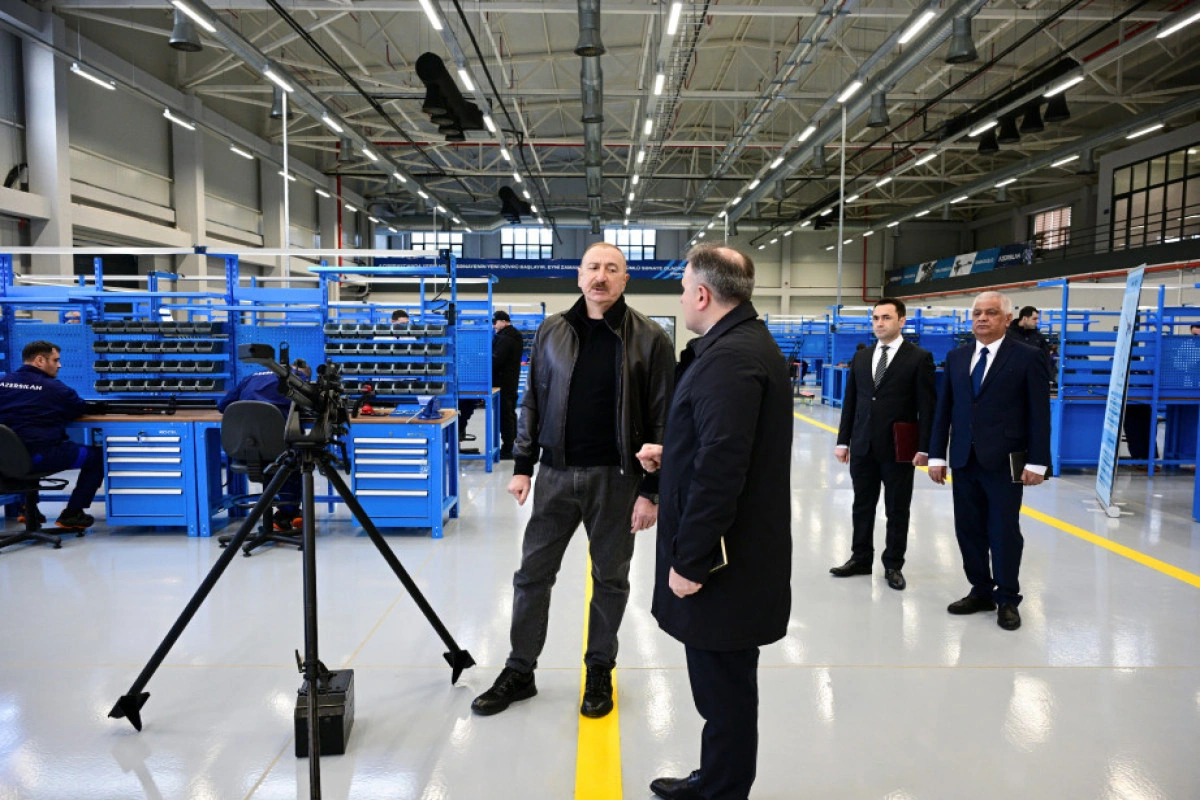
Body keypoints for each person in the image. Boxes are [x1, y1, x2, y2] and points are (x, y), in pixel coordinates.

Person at [471, 242, 675, 719]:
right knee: (532, 575)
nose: (600, 276)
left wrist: (651, 491)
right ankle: (520, 670)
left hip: (618, 480)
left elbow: (664, 419)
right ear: (579, 276)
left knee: (610, 579)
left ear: (625, 279)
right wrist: (523, 464)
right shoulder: (552, 330)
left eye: (611, 269)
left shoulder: (650, 338)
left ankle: (599, 669)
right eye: (592, 268)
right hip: (556, 475)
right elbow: (532, 400)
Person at [637, 244, 792, 800]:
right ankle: (718, 779)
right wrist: (673, 452)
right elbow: (723, 443)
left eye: (683, 289)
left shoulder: (730, 359)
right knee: (722, 688)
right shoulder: (740, 346)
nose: (681, 298)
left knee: (723, 691)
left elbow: (722, 470)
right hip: (735, 556)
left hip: (724, 564)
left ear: (702, 294)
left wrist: (690, 560)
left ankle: (723, 791)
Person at [928, 291, 1051, 632]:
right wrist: (937, 454)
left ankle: (1008, 597)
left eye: (991, 312)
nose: (982, 318)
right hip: (964, 459)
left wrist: (1038, 462)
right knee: (968, 529)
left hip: (1005, 460)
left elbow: (1039, 414)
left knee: (1003, 530)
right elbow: (944, 409)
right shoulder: (957, 357)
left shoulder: (1028, 357)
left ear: (1007, 319)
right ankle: (980, 590)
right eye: (977, 313)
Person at [831, 297, 936, 590]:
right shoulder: (862, 357)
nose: (879, 323)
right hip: (863, 444)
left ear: (902, 321)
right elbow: (851, 402)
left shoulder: (919, 358)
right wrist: (843, 441)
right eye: (876, 318)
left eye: (886, 318)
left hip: (898, 447)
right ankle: (860, 558)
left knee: (897, 509)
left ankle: (893, 564)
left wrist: (924, 447)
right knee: (862, 505)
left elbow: (927, 407)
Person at [0, 341, 102, 530]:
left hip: (5, 458)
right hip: (42, 457)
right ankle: (73, 513)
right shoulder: (55, 389)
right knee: (98, 457)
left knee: (23, 446)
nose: (59, 365)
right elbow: (78, 408)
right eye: (55, 360)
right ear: (40, 360)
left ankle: (28, 509)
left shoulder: (2, 383)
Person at [217, 359, 312, 531]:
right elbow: (311, 406)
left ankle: (283, 516)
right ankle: (288, 513)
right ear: (303, 373)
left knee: (283, 457)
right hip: (279, 450)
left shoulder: (251, 377)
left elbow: (223, 405)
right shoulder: (298, 379)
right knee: (296, 459)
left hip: (244, 449)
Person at [490, 310, 524, 459]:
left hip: (502, 383)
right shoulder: (514, 335)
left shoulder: (505, 338)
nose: (493, 326)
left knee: (505, 416)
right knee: (510, 414)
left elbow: (496, 360)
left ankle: (508, 448)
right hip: (511, 382)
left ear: (504, 321)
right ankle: (514, 445)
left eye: (495, 323)